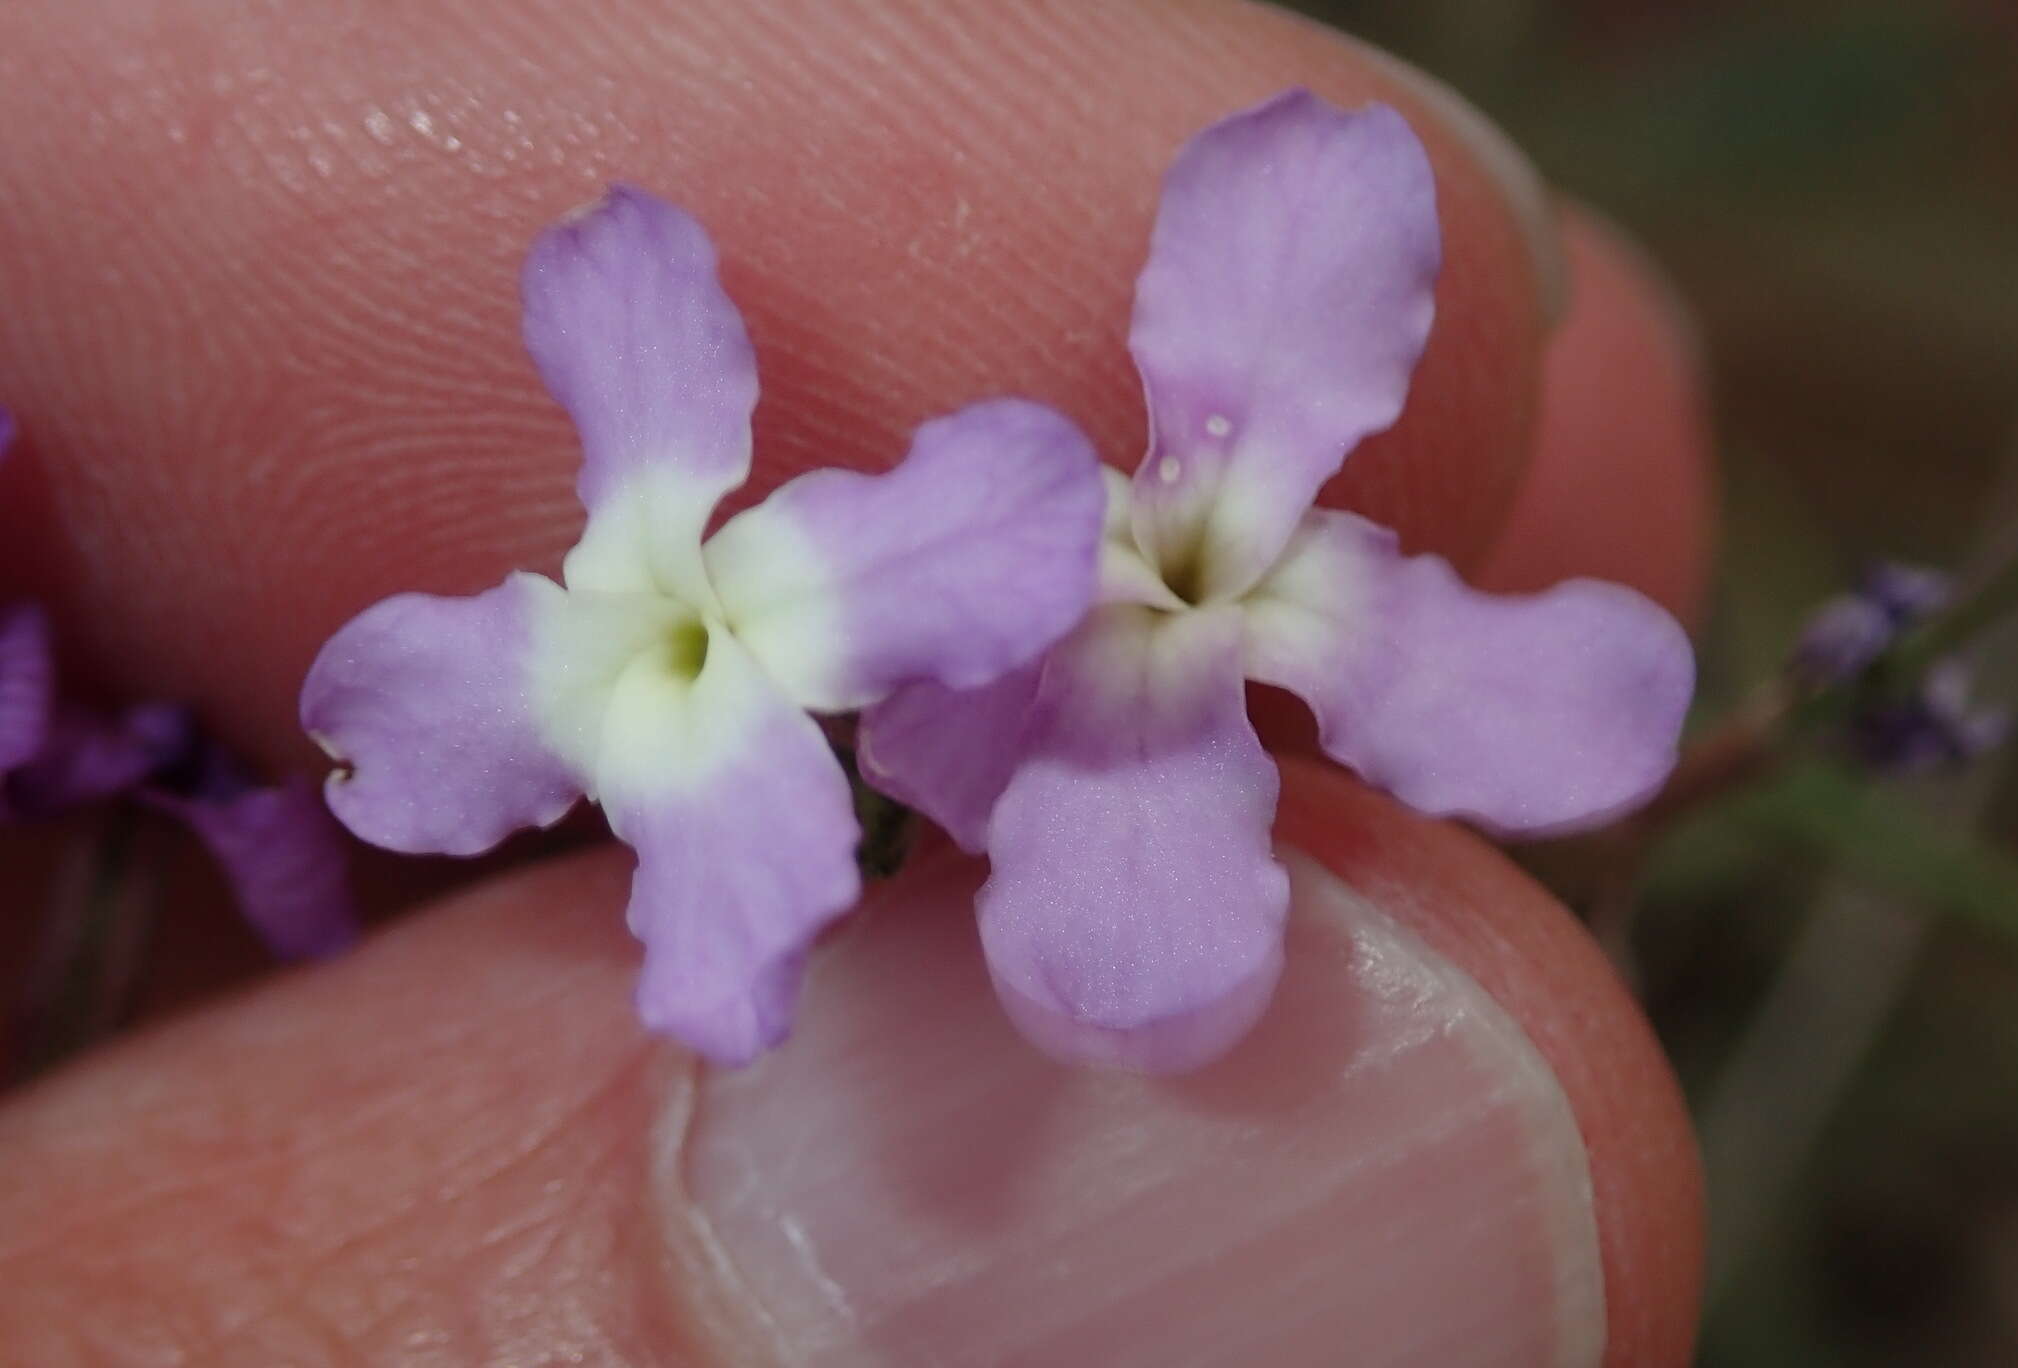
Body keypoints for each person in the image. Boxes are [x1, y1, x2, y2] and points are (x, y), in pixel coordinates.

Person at [0, 1, 1712, 1362]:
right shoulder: (822, 615)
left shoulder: (1035, 587)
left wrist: (959, 725)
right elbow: (919, 707)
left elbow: (992, 712)